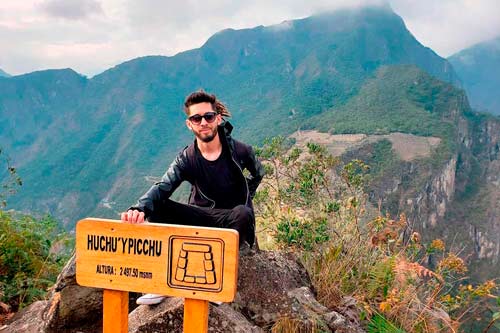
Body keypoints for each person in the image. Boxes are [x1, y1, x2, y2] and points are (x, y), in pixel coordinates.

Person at [121, 90, 264, 305]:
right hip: (202, 217)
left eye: (208, 116)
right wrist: (139, 209)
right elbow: (163, 186)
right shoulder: (187, 158)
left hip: (229, 221)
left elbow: (258, 174)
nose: (203, 122)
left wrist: (245, 196)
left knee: (243, 213)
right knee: (158, 206)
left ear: (217, 118)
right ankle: (163, 283)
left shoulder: (241, 151)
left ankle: (214, 282)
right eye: (196, 118)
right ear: (190, 124)